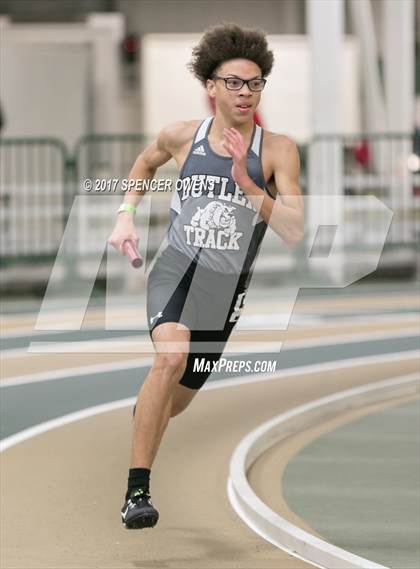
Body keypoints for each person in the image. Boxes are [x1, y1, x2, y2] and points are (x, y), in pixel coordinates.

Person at [107, 22, 304, 530]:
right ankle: (136, 494)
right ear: (211, 85)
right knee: (169, 356)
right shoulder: (180, 136)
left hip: (224, 291)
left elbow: (295, 230)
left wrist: (246, 182)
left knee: (173, 403)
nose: (245, 92)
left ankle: (148, 411)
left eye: (255, 83)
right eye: (235, 82)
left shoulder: (278, 150)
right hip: (176, 268)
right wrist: (125, 213)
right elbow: (143, 166)